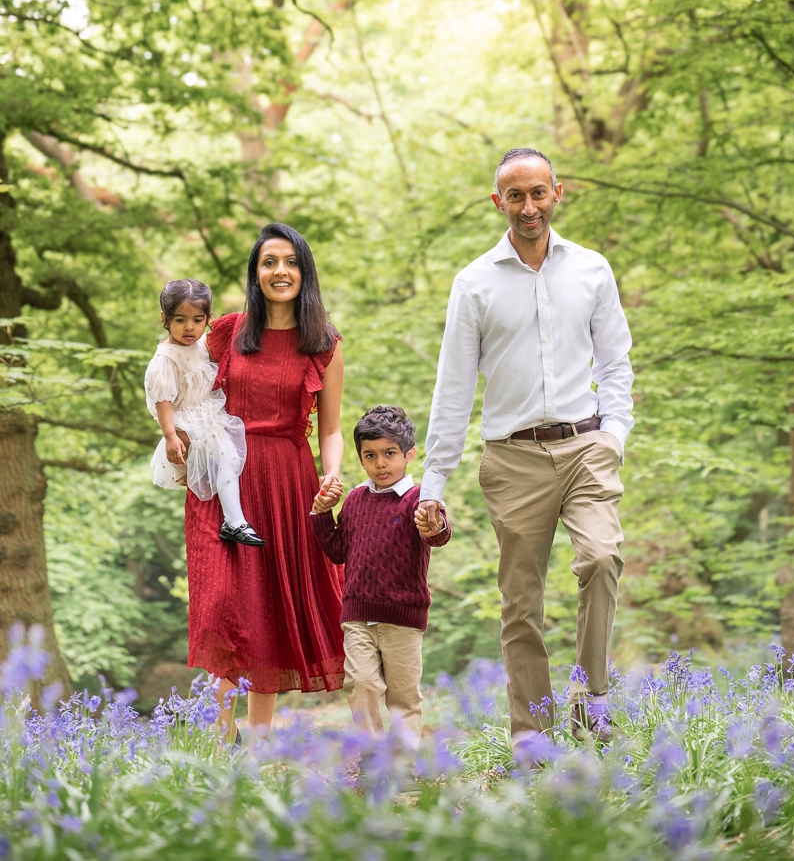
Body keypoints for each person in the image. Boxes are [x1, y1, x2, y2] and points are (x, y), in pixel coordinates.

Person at [415, 148, 634, 744]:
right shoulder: (474, 284)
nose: (529, 206)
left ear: (557, 193)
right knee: (521, 605)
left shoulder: (592, 269)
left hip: (587, 444)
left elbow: (617, 364)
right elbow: (454, 388)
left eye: (539, 193)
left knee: (600, 558)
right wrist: (432, 486)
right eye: (517, 196)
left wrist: (613, 435)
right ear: (499, 203)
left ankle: (592, 699)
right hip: (512, 459)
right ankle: (532, 738)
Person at [185, 223, 346, 740]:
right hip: (223, 479)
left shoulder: (323, 344)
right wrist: (175, 431)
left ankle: (255, 746)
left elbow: (332, 428)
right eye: (269, 262)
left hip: (286, 482)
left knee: (265, 605)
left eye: (291, 261)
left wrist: (332, 476)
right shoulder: (226, 332)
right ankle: (218, 737)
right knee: (221, 602)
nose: (280, 271)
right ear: (256, 273)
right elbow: (181, 381)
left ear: (305, 272)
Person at [310, 406, 450, 740]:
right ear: (360, 459)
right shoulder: (355, 499)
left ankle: (403, 759)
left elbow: (440, 534)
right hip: (358, 614)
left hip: (403, 618)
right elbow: (338, 551)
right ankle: (374, 754)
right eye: (370, 455)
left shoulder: (419, 498)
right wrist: (320, 513)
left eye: (389, 453)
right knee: (361, 685)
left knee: (403, 696)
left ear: (410, 454)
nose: (380, 463)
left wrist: (434, 524)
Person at [145, 279, 265, 548]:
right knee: (228, 458)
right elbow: (162, 400)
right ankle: (234, 521)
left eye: (198, 320)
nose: (190, 327)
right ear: (165, 319)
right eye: (180, 320)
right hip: (188, 422)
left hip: (209, 416)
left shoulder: (201, 346)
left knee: (231, 460)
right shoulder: (166, 357)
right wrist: (169, 436)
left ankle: (233, 520)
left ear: (207, 319)